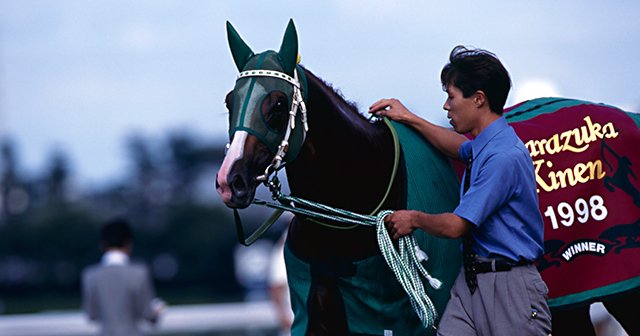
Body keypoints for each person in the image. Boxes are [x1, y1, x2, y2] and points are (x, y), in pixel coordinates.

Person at [369, 45, 551, 335]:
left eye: (451, 97)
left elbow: (456, 226)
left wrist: (413, 219)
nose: (446, 106)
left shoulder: (503, 157)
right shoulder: (488, 145)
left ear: (478, 99)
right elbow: (459, 147)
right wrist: (409, 117)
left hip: (510, 289)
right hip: (472, 282)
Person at [82, 217, 165, 336]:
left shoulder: (90, 275)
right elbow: (148, 314)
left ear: (102, 245)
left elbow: (92, 315)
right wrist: (158, 310)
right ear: (129, 243)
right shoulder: (139, 273)